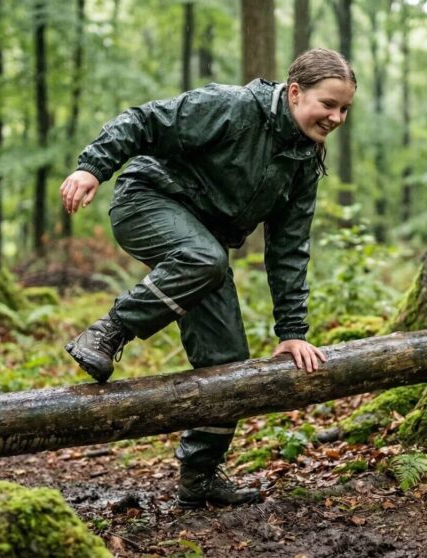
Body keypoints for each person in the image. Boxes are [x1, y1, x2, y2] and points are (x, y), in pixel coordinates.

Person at [60, 48, 356, 507]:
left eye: (344, 109)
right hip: (146, 199)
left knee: (229, 362)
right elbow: (144, 121)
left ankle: (199, 479)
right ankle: (107, 332)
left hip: (203, 247)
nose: (336, 117)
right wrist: (92, 166)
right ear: (295, 93)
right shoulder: (235, 108)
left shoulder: (303, 159)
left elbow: (289, 248)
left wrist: (293, 332)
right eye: (328, 104)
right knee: (205, 258)